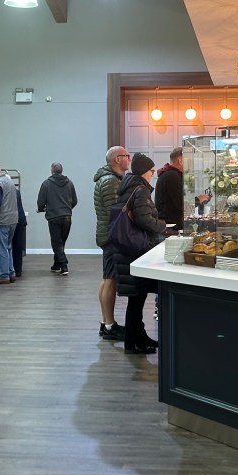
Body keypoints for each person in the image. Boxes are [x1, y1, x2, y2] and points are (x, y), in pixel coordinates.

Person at [114, 153, 166, 354]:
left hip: (127, 248)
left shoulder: (128, 186)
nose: (153, 174)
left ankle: (139, 337)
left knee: (137, 298)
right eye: (152, 171)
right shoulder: (141, 189)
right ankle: (133, 343)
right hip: (137, 248)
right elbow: (144, 220)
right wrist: (162, 225)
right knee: (137, 298)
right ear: (145, 171)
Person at [92, 145, 130, 341]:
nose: (129, 159)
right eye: (127, 156)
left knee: (108, 278)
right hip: (111, 236)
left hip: (108, 234)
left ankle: (107, 323)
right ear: (117, 159)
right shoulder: (110, 181)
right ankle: (109, 326)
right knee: (110, 280)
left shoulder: (112, 179)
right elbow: (116, 212)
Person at [37, 162, 78, 275]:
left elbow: (41, 201)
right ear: (61, 170)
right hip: (67, 216)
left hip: (54, 217)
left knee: (56, 242)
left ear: (52, 171)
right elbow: (74, 200)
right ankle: (56, 265)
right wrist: (67, 208)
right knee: (61, 242)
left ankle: (64, 265)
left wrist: (41, 209)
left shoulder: (46, 184)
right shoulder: (69, 183)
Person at [12, 187, 28, 277]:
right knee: (18, 246)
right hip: (20, 219)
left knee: (8, 247)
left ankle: (10, 270)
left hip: (12, 220)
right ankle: (18, 270)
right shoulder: (16, 191)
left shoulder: (5, 191)